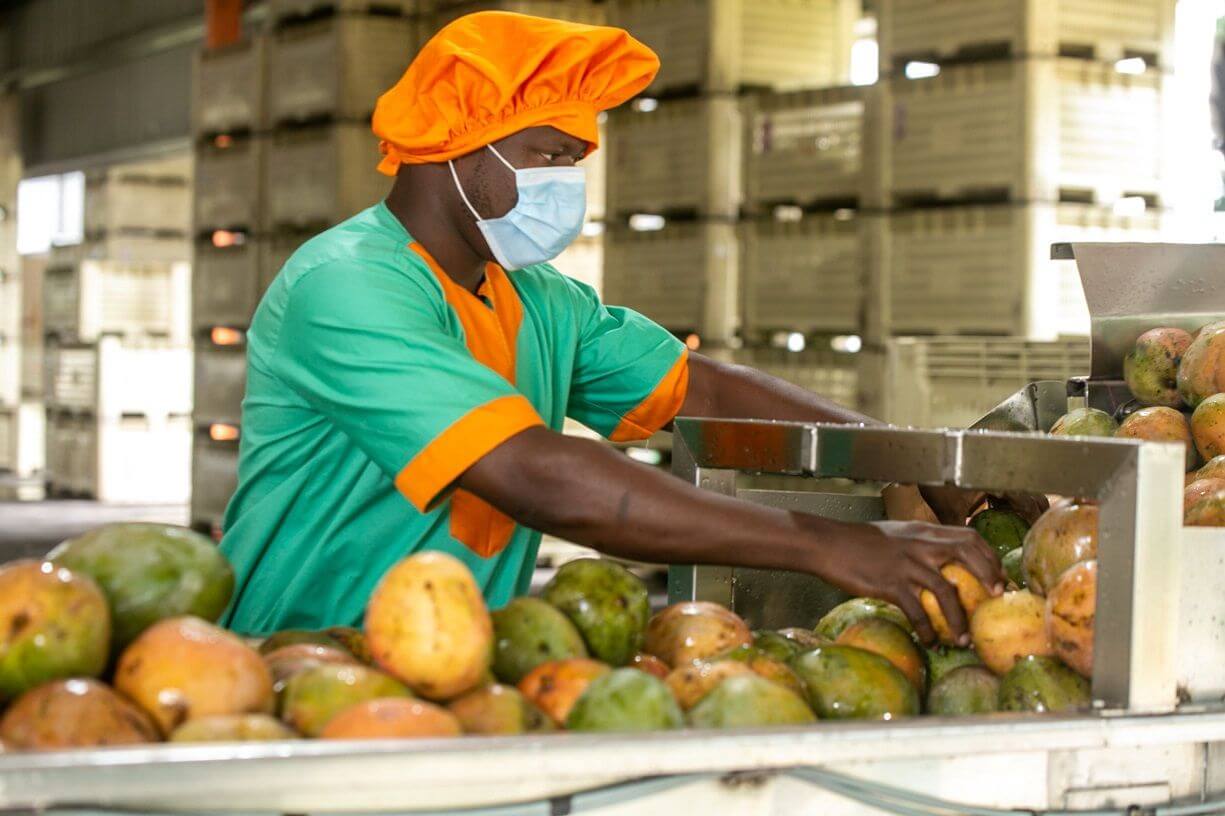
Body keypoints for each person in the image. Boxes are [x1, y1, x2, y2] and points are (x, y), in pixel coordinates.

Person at [219, 11, 1005, 645]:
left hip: (455, 674)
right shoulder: (347, 286)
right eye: (547, 154)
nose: (564, 185)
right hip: (302, 664)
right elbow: (534, 474)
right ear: (453, 146)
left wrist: (918, 459)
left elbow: (704, 394)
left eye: (574, 161)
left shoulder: (538, 300)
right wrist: (824, 543)